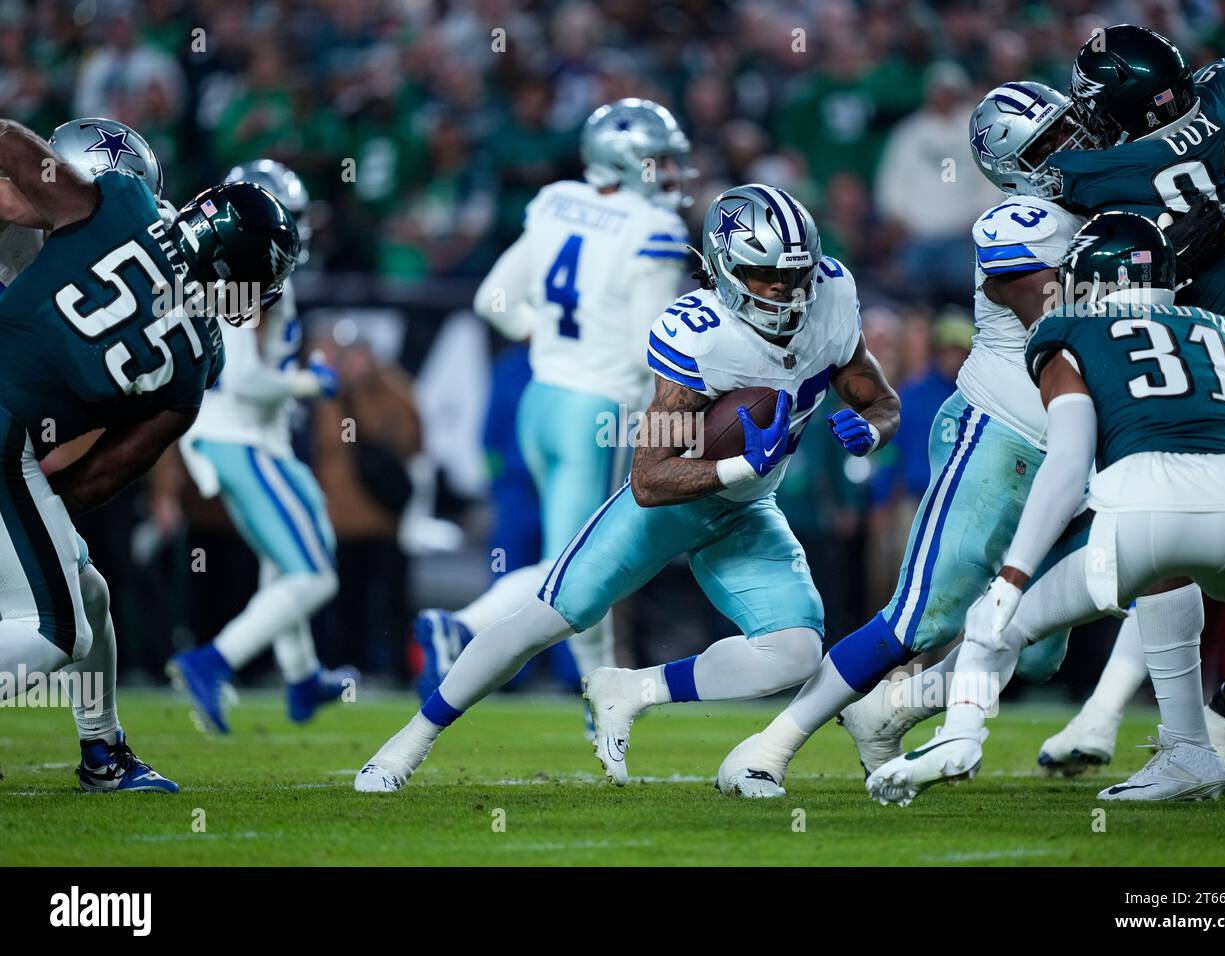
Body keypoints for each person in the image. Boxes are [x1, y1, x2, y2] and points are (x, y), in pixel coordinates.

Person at [713, 80, 1203, 798]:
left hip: (1078, 451)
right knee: (920, 616)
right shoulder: (1015, 222)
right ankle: (767, 747)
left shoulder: (1111, 209)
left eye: (1071, 132)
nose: (1071, 149)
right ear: (1012, 165)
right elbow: (1069, 322)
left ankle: (890, 709)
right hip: (998, 438)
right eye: (1048, 145)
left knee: (1036, 645)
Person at [354, 183, 900, 792]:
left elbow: (877, 396)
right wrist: (742, 465)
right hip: (677, 502)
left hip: (749, 510)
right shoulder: (699, 333)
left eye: (794, 274)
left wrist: (872, 431)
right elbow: (648, 479)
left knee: (796, 651)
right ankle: (409, 742)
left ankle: (631, 688)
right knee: (548, 618)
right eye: (763, 272)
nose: (784, 289)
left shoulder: (832, 295)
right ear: (723, 267)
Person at [868, 212, 1225, 817]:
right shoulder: (1223, 332)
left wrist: (1012, 577)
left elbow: (1069, 462)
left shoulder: (1069, 332)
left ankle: (960, 736)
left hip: (1139, 514)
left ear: (1088, 277)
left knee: (1000, 628)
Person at [1035, 24, 1225, 784]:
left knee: (1171, 531)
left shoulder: (1105, 170)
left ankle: (1142, 724)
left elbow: (1067, 182)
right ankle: (1204, 732)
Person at [0, 116, 299, 791]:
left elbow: (11, 147)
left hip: (9, 445)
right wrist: (41, 506)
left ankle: (104, 751)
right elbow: (102, 474)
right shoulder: (195, 371)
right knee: (55, 632)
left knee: (86, 590)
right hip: (10, 442)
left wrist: (28, 517)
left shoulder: (123, 205)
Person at [410, 99, 694, 708]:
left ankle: (597, 697)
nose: (670, 174)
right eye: (658, 161)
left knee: (582, 567)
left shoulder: (554, 202)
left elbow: (492, 300)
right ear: (627, 160)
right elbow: (657, 351)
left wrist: (550, 335)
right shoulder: (655, 231)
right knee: (575, 569)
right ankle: (459, 628)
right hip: (597, 410)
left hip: (539, 400)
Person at [169, 160, 353, 734]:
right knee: (314, 575)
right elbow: (245, 376)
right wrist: (308, 383)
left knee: (297, 549)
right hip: (239, 434)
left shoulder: (227, 268)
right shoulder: (246, 269)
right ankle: (210, 662)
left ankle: (301, 678)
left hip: (249, 436)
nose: (297, 232)